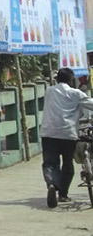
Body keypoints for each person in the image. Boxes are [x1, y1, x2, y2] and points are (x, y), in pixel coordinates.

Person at [40, 67, 93, 207]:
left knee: (50, 163)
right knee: (67, 163)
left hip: (48, 132)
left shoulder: (49, 91)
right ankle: (63, 194)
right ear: (71, 80)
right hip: (68, 133)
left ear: (57, 79)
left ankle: (52, 184)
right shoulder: (76, 93)